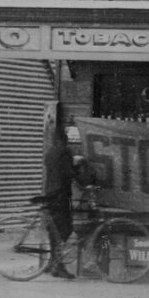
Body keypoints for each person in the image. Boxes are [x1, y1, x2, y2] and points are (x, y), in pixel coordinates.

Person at [43, 110, 88, 280]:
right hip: (62, 196)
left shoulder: (50, 153)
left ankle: (52, 263)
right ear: (64, 140)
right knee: (65, 229)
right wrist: (80, 172)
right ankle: (58, 266)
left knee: (54, 230)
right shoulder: (65, 152)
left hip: (50, 194)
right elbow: (68, 172)